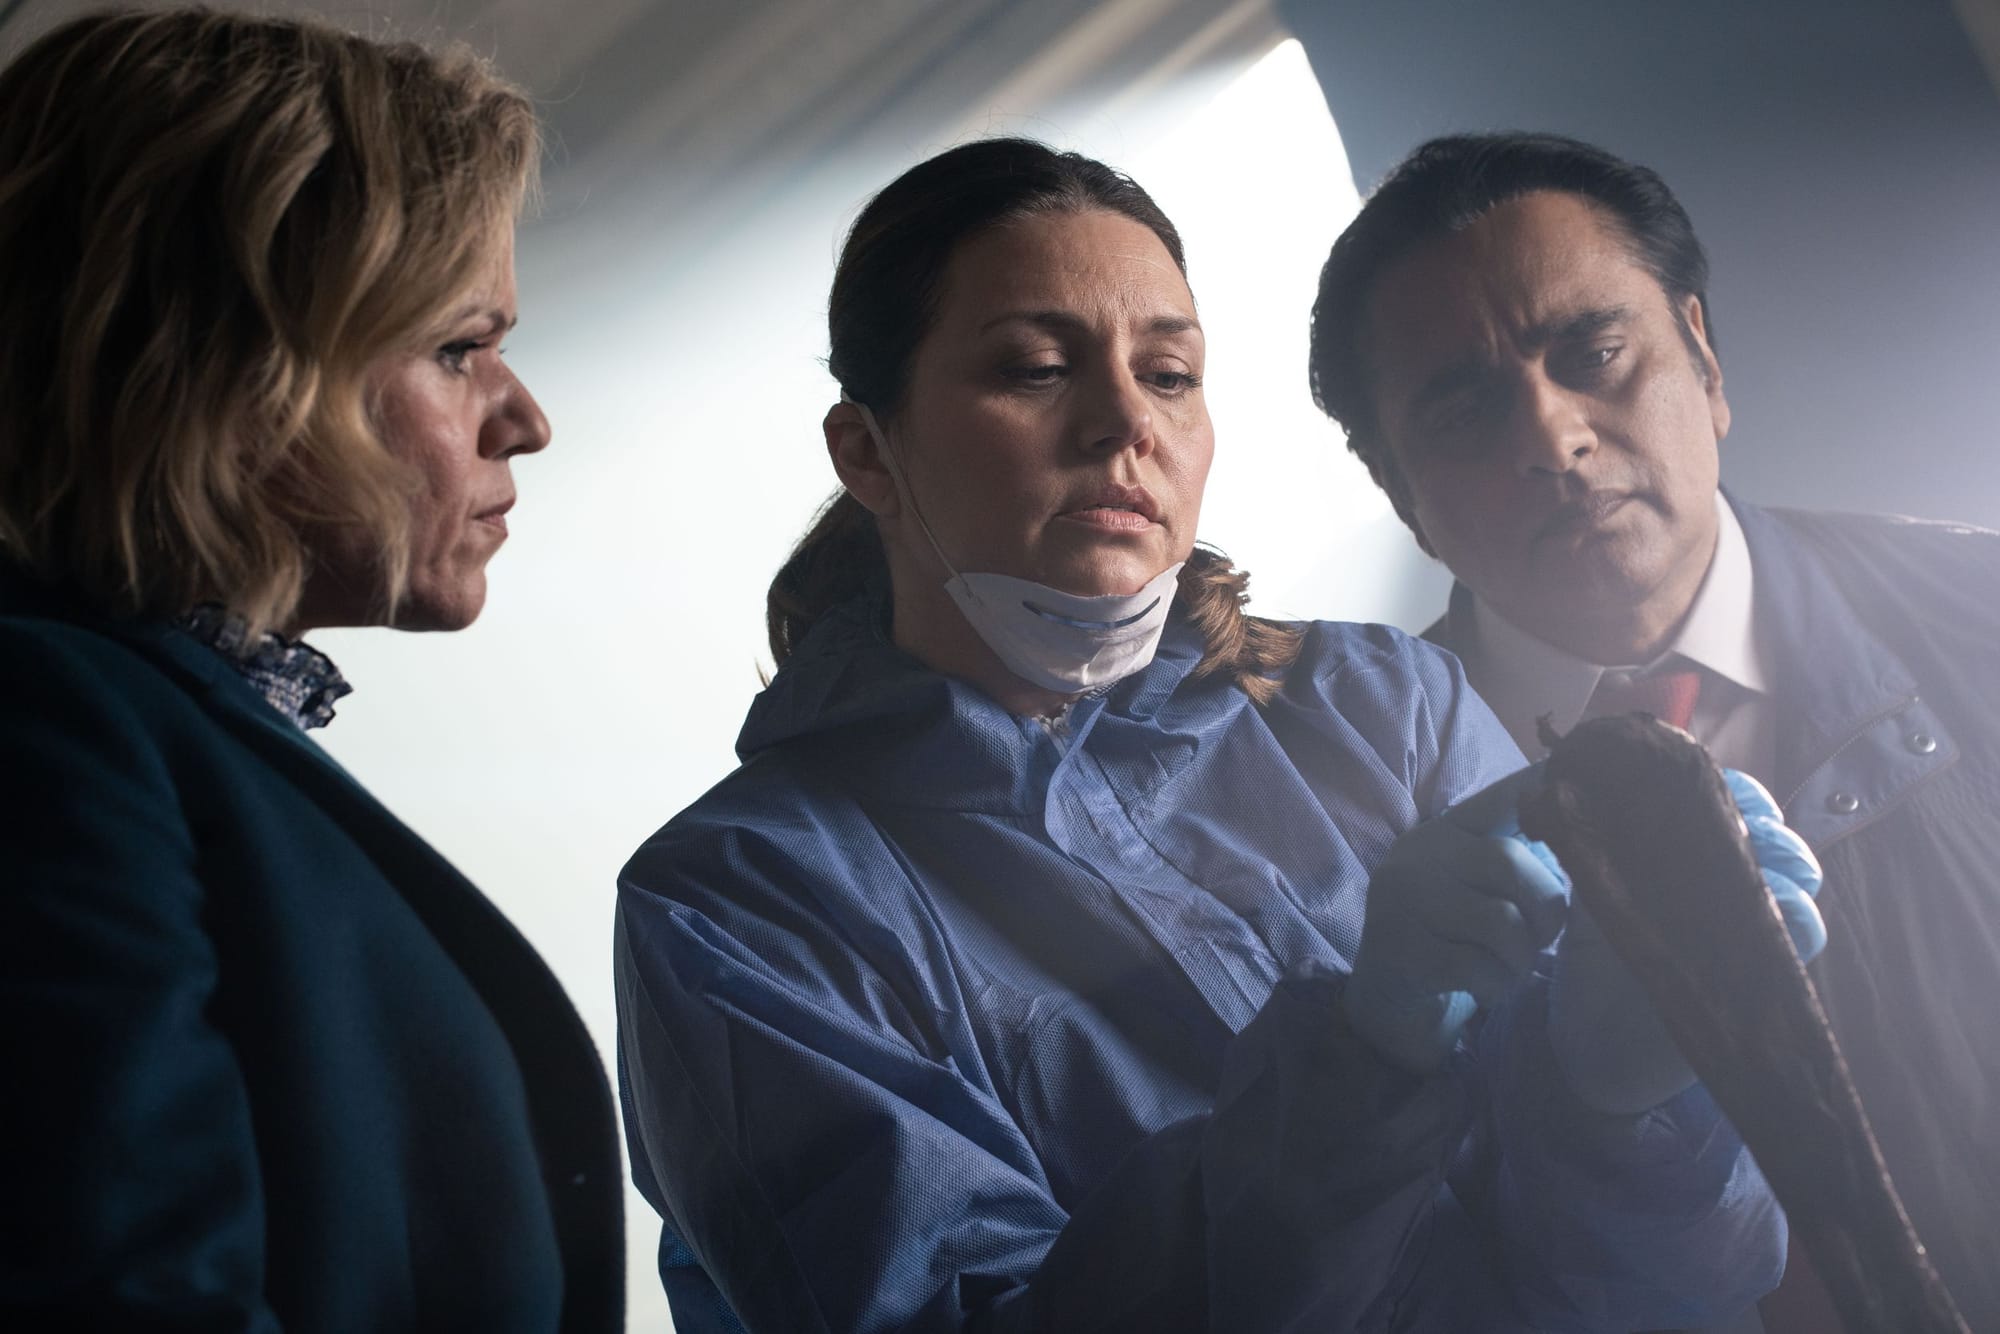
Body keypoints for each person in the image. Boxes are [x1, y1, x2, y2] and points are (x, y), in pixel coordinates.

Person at [615, 137, 1816, 1334]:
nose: (1121, 423)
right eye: (1035, 368)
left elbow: (1685, 1283)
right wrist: (1359, 1065)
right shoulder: (745, 903)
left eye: (1171, 372)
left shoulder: (1384, 701)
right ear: (865, 449)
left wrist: (1623, 1096)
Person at [1308, 130, 2000, 1331]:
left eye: (1591, 352)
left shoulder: (1980, 618)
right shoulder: (1336, 818)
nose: (1551, 437)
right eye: (1463, 410)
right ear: (1394, 492)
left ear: (1704, 358)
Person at [0, 10, 621, 1329]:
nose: (525, 417)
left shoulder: (150, 722)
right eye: (461, 347)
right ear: (237, 373)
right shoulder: (50, 725)